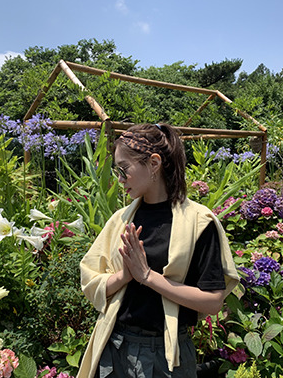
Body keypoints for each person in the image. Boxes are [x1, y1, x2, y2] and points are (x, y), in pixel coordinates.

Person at [78, 123, 239, 378]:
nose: (120, 179)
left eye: (124, 169)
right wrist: (124, 276)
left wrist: (147, 277)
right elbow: (90, 281)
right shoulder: (120, 220)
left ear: (154, 163)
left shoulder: (199, 223)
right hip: (114, 346)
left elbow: (213, 302)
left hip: (166, 357)